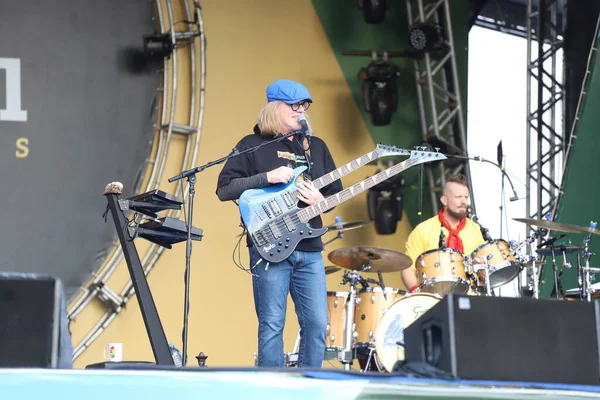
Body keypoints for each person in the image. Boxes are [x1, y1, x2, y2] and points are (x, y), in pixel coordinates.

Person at [216, 79, 343, 368]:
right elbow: (225, 189)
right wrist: (267, 177)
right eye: (294, 105)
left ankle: (311, 388)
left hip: (310, 248)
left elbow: (334, 195)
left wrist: (319, 199)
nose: (301, 111)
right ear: (275, 108)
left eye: (305, 105)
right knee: (272, 324)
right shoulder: (250, 145)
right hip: (269, 246)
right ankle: (271, 391)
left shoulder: (316, 147)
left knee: (316, 324)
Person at [401, 174, 486, 292]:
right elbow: (407, 268)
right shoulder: (422, 230)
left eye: (466, 197)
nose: (463, 202)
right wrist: (418, 294)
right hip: (434, 299)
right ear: (444, 200)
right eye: (458, 197)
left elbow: (484, 267)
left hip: (471, 299)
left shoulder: (476, 229)